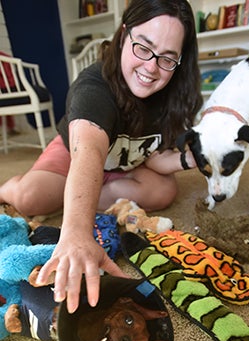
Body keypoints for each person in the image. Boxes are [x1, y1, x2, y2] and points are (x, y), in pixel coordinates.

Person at [0, 0, 202, 313]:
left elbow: (153, 155)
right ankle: (9, 188)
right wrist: (77, 232)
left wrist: (192, 160)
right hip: (76, 154)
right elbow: (89, 152)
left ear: (180, 62)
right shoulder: (93, 85)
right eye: (143, 47)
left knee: (165, 190)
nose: (151, 67)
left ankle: (84, 194)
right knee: (29, 198)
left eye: (167, 58)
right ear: (124, 35)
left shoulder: (172, 96)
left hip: (125, 162)